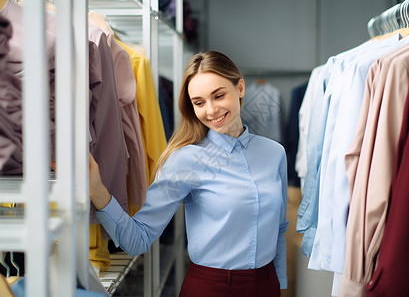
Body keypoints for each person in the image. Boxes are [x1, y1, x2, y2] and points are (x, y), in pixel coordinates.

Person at [89, 51, 289, 297]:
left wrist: (279, 284)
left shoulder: (274, 153)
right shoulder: (185, 160)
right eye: (199, 102)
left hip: (266, 286)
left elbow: (279, 229)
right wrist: (98, 192)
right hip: (210, 289)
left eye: (219, 95)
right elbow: (138, 239)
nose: (211, 110)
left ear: (240, 88)